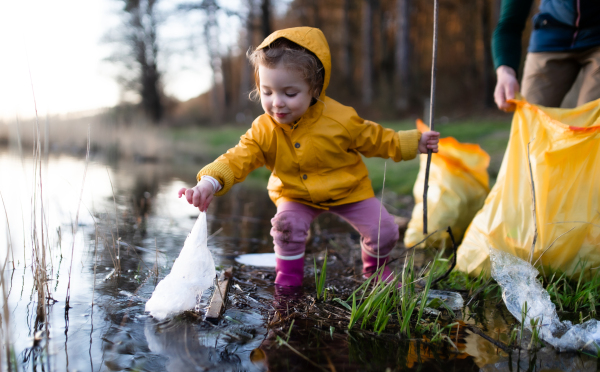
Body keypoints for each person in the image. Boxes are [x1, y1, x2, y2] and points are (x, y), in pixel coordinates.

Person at [178, 27, 439, 288]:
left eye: (289, 93)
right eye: (267, 92)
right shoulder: (265, 128)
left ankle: (375, 270)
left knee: (385, 231)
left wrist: (415, 142)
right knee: (286, 227)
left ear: (314, 88)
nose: (277, 103)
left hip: (348, 189)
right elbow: (238, 157)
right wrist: (209, 182)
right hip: (295, 193)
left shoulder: (340, 118)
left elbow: (378, 139)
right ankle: (288, 280)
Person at [493, 0, 600, 112]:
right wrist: (505, 72)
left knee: (592, 119)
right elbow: (509, 23)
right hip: (550, 34)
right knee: (531, 118)